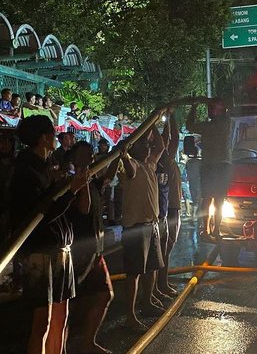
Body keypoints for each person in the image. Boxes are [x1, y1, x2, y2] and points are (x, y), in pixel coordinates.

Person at [9, 115, 89, 354]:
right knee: (42, 321)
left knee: (61, 314)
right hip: (41, 252)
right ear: (44, 138)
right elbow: (40, 213)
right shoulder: (26, 171)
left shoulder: (47, 167)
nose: (57, 137)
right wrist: (70, 191)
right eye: (53, 134)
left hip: (60, 249)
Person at [66, 141, 120, 354]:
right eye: (84, 155)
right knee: (71, 300)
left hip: (95, 251)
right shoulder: (71, 183)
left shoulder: (93, 182)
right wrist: (83, 177)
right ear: (73, 158)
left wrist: (117, 155)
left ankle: (87, 341)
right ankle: (64, 342)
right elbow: (83, 208)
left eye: (90, 155)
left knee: (104, 294)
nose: (89, 159)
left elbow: (107, 178)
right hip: (78, 252)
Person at [119, 124, 165, 330]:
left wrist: (152, 124)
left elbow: (161, 146)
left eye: (148, 144)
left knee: (153, 266)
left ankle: (146, 303)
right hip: (136, 227)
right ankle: (130, 316)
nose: (148, 147)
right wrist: (125, 154)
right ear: (134, 149)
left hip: (151, 224)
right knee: (134, 272)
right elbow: (128, 165)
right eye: (144, 145)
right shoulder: (134, 165)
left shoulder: (150, 165)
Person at [186, 97, 233, 240]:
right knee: (218, 199)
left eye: (212, 108)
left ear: (220, 110)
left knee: (208, 199)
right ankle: (215, 231)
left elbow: (190, 125)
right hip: (222, 165)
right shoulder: (226, 123)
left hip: (211, 166)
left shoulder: (212, 126)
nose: (209, 111)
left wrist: (194, 107)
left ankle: (208, 231)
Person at [157, 111, 181, 296]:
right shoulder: (165, 160)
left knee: (166, 247)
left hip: (171, 206)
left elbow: (170, 137)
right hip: (169, 208)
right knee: (166, 246)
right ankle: (161, 284)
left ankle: (160, 284)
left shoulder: (163, 160)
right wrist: (170, 117)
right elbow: (173, 138)